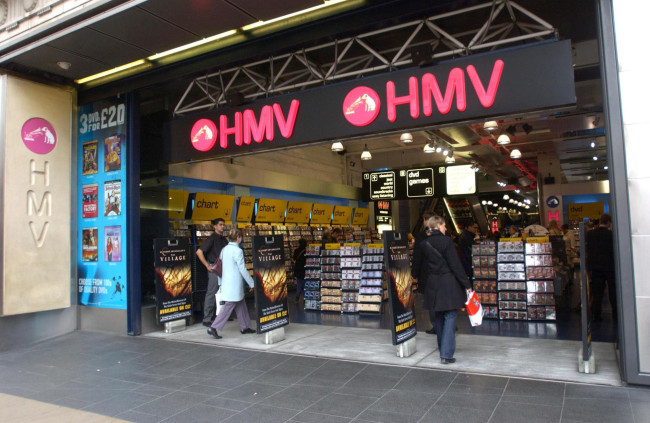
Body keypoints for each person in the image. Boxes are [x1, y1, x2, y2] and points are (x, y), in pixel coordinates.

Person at [412, 215, 472, 364]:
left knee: (438, 316)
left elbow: (418, 263)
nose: (446, 228)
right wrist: (467, 284)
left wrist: (415, 276)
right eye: (444, 225)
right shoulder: (446, 242)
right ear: (438, 225)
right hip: (448, 283)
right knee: (450, 316)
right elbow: (455, 265)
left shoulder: (424, 243)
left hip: (432, 283)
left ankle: (442, 347)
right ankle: (446, 353)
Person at [208, 229, 256, 339]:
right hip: (235, 284)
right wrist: (252, 283)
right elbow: (242, 269)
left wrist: (221, 283)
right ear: (238, 237)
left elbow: (220, 267)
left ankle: (245, 327)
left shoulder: (224, 249)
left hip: (227, 283)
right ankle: (214, 327)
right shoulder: (238, 251)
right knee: (228, 306)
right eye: (241, 236)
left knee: (241, 304)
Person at [196, 218, 229, 327]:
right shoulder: (211, 239)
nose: (222, 227)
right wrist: (207, 265)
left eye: (223, 225)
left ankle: (222, 315)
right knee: (212, 292)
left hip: (223, 269)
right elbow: (199, 252)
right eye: (220, 225)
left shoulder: (224, 239)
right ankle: (207, 318)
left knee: (224, 293)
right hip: (215, 268)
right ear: (214, 226)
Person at [586, 213, 617, 322]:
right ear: (608, 223)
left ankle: (597, 315)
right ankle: (616, 315)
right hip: (610, 267)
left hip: (595, 268)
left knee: (597, 293)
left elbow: (588, 251)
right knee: (612, 292)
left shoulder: (590, 234)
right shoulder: (612, 235)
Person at [412, 212, 436, 334]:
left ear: (426, 221)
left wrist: (414, 274)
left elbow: (417, 256)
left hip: (426, 273)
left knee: (430, 300)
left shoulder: (421, 236)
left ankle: (436, 325)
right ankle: (446, 322)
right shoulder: (443, 234)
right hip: (442, 273)